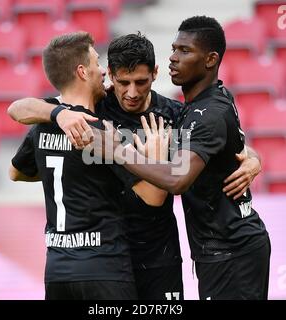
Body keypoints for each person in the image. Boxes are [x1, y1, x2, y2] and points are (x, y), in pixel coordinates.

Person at [8, 32, 261, 300]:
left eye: (141, 82)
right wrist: (59, 114)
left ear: (155, 73)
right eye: (123, 82)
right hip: (109, 256)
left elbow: (223, 142)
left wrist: (255, 159)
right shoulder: (94, 110)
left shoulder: (174, 116)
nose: (132, 93)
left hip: (157, 257)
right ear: (110, 76)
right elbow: (20, 109)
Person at [109, 16, 270, 300]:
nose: (173, 57)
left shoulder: (207, 113)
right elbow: (235, 147)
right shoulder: (207, 102)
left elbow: (178, 179)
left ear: (210, 59)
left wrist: (116, 150)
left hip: (232, 250)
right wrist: (254, 159)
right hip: (221, 250)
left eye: (184, 51)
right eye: (174, 49)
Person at [9, 31, 138, 300]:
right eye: (96, 62)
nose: (102, 70)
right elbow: (151, 194)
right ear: (82, 71)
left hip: (58, 271)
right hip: (104, 266)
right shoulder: (100, 131)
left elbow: (15, 172)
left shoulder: (42, 125)